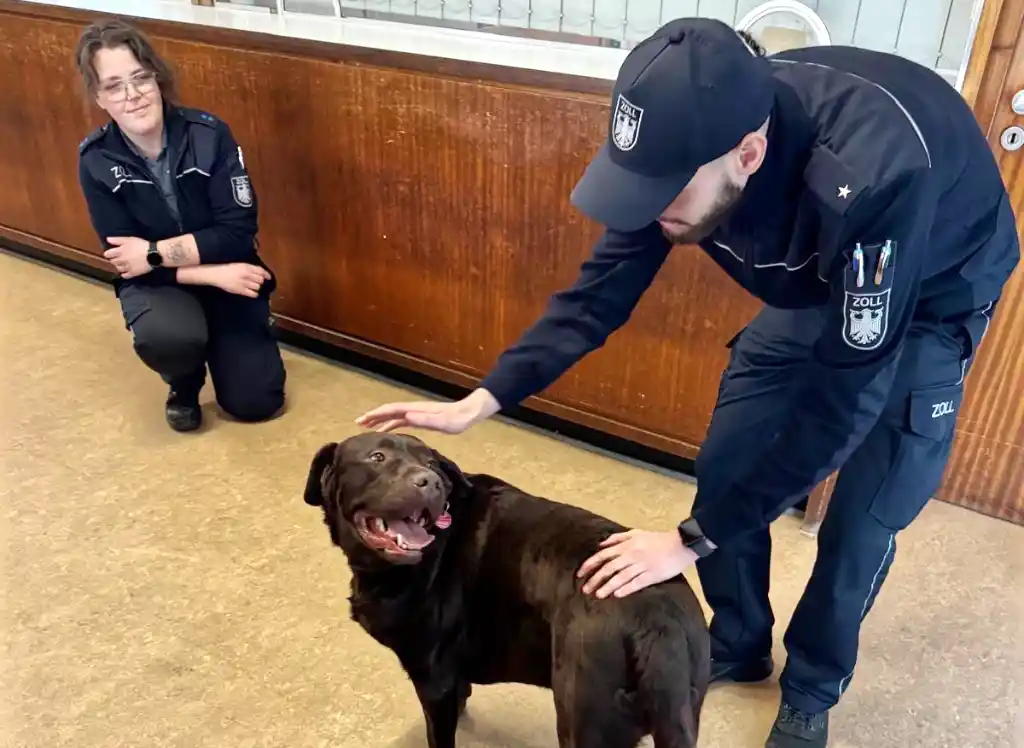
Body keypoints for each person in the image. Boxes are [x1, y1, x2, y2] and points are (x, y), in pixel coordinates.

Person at [355, 18, 1020, 748]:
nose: (650, 210)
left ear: (749, 153)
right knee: (729, 464)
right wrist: (479, 401)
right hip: (817, 273)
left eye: (665, 193)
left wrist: (687, 543)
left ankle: (811, 689)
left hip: (928, 288)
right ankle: (737, 640)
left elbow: (842, 401)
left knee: (863, 515)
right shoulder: (688, 136)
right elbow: (596, 295)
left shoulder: (876, 175)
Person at [75, 19, 286, 432]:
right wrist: (212, 272)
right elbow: (125, 261)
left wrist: (152, 253)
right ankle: (184, 383)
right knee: (169, 338)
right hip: (165, 285)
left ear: (157, 78)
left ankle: (240, 338)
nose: (132, 95)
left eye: (140, 77)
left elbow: (237, 232)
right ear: (100, 97)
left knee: (256, 403)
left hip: (223, 271)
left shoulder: (209, 135)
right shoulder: (95, 160)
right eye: (115, 85)